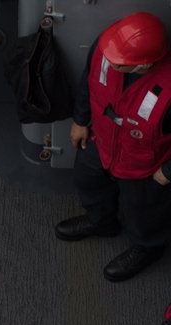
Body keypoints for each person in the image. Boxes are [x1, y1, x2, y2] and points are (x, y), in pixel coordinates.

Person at [54, 12, 171, 282]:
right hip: (101, 141)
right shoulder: (108, 47)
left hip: (146, 165)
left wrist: (168, 170)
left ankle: (147, 247)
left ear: (145, 65)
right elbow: (89, 81)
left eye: (119, 63)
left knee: (144, 210)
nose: (110, 59)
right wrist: (80, 120)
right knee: (87, 180)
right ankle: (101, 221)